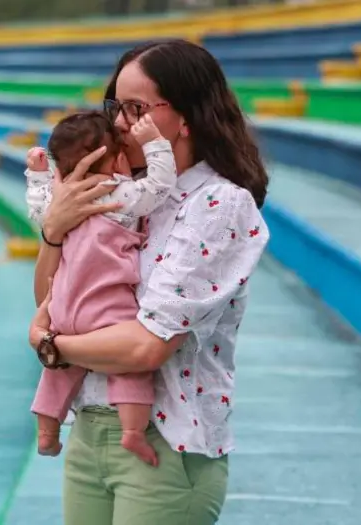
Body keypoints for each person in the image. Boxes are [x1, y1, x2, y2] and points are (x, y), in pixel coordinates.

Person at [28, 39, 269, 525]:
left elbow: (146, 346)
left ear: (187, 118)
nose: (118, 123)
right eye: (116, 106)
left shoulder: (217, 204)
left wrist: (52, 347)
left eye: (136, 108)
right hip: (91, 430)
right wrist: (54, 233)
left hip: (164, 443)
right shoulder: (124, 195)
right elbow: (57, 303)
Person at [24, 110, 177, 466]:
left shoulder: (61, 200)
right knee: (127, 368)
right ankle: (133, 432)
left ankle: (47, 433)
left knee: (57, 369)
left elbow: (38, 211)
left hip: (61, 307)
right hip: (106, 308)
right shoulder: (118, 193)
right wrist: (154, 143)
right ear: (117, 159)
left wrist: (38, 174)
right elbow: (158, 186)